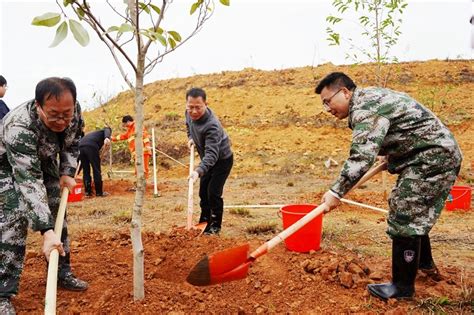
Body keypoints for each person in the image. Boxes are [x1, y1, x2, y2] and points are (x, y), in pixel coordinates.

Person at [315, 72, 462, 301]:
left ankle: (402, 288)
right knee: (413, 213)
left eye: (327, 101)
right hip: (431, 154)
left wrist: (336, 191)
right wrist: (392, 154)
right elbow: (399, 129)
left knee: (404, 214)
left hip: (432, 158)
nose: (327, 109)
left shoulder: (365, 107)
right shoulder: (370, 98)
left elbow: (361, 157)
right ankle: (424, 265)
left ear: (345, 92)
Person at [0, 77, 88, 314]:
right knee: (14, 219)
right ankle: (2, 293)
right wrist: (45, 231)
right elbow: (28, 180)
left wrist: (67, 171)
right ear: (38, 106)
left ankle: (61, 271)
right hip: (8, 168)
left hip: (44, 160)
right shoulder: (19, 127)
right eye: (54, 115)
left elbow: (73, 141)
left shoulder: (72, 110)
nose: (61, 120)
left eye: (66, 114)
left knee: (58, 211)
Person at [185, 88, 234, 235]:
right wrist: (190, 137)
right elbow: (188, 126)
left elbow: (212, 155)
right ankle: (204, 221)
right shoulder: (188, 113)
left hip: (221, 161)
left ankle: (215, 227)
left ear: (206, 104)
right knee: (203, 192)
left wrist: (198, 171)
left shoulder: (212, 125)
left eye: (198, 107)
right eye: (190, 107)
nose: (193, 111)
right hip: (206, 159)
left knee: (213, 192)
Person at [112, 115, 152, 188]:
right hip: (137, 154)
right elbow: (123, 136)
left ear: (128, 122)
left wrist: (147, 145)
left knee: (143, 170)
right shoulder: (130, 130)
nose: (124, 126)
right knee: (138, 170)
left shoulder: (137, 126)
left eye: (124, 124)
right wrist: (113, 138)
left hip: (144, 152)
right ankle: (139, 185)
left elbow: (145, 135)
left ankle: (142, 186)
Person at [79, 127, 112, 197]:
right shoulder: (104, 131)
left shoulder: (93, 135)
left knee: (86, 170)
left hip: (81, 146)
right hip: (90, 146)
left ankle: (88, 192)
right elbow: (107, 129)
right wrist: (107, 137)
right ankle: (99, 193)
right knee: (96, 169)